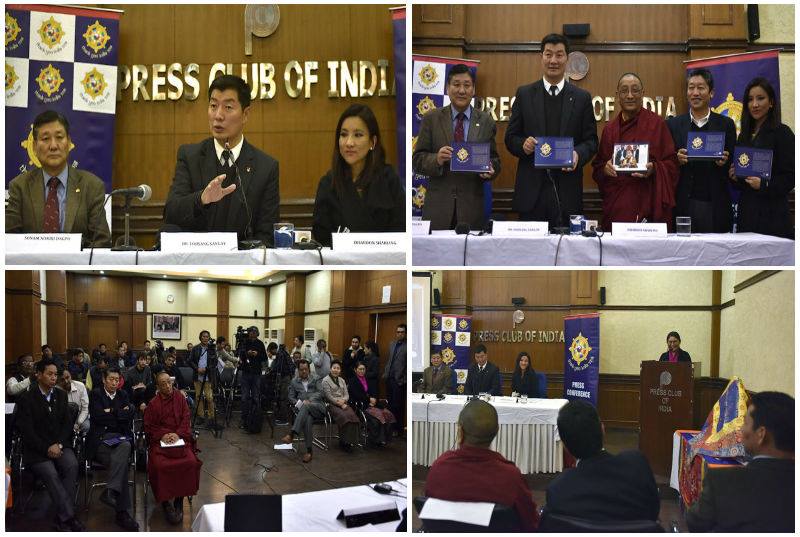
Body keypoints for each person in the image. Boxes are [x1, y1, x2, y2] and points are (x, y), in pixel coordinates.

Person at [164, 74, 279, 246]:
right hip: (195, 262)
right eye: (213, 105)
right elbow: (171, 212)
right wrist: (202, 199)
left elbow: (266, 234)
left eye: (228, 107)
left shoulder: (266, 167)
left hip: (242, 267)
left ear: (245, 114)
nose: (218, 115)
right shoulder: (190, 156)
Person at [505, 34, 598, 229]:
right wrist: (523, 145)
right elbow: (510, 138)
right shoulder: (524, 94)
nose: (553, 60)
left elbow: (591, 141)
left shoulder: (581, 98)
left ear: (567, 58)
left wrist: (577, 154)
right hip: (532, 194)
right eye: (548, 54)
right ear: (541, 57)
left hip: (568, 192)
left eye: (559, 55)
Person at [686, 391, 794, 532]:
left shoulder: (721, 482)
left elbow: (695, 523)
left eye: (745, 423)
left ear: (761, 434)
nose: (741, 430)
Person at [425, 399, 539, 531]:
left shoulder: (439, 468)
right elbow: (531, 524)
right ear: (496, 431)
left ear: (460, 432)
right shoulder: (511, 476)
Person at [542, 400, 659, 526]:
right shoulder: (637, 466)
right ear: (602, 430)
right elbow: (653, 513)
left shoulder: (558, 489)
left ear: (565, 446)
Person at [412, 63, 500, 230]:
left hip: (472, 209)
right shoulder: (431, 118)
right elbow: (417, 160)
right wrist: (436, 159)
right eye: (456, 84)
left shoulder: (486, 121)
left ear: (473, 90)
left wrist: (491, 169)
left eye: (467, 85)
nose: (462, 90)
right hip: (439, 209)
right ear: (447, 88)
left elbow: (495, 160)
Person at [6, 110, 111, 247]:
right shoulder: (19, 187)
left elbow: (101, 242)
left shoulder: (91, 186)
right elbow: (9, 240)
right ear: (34, 147)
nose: (53, 146)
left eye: (59, 137)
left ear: (69, 143)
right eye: (45, 139)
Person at [592, 73, 679, 229]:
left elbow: (672, 165)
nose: (630, 95)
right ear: (618, 95)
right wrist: (605, 169)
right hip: (618, 206)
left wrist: (654, 169)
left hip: (648, 205)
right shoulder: (609, 130)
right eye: (625, 91)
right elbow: (598, 167)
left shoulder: (657, 124)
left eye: (635, 90)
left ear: (643, 93)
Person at [312, 103, 405, 245]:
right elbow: (321, 238)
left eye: (358, 135)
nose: (349, 143)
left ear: (372, 142)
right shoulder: (328, 183)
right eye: (343, 135)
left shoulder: (389, 179)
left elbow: (400, 233)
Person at [15, 359, 85, 531]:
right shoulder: (26, 398)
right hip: (37, 450)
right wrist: (47, 447)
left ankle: (62, 514)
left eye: (56, 375)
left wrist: (59, 445)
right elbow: (27, 432)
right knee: (51, 473)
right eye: (50, 374)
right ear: (38, 375)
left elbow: (67, 425)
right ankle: (69, 516)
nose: (54, 378)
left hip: (59, 445)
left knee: (71, 465)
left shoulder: (60, 395)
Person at [666, 69, 737, 232]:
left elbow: (735, 169)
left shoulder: (726, 124)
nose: (695, 93)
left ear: (711, 93)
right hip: (683, 204)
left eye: (701, 88)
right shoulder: (673, 125)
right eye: (691, 88)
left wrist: (725, 163)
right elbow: (666, 164)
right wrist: (676, 160)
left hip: (715, 205)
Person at [728, 77, 794, 238]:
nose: (755, 104)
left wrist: (763, 184)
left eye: (760, 98)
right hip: (747, 214)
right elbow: (742, 183)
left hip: (773, 216)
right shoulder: (743, 136)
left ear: (771, 102)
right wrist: (735, 177)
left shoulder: (782, 133)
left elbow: (791, 177)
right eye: (750, 100)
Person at [144, 371, 202, 525]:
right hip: (160, 442)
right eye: (163, 384)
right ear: (157, 386)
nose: (168, 386)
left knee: (190, 462)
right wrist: (163, 435)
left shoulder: (180, 398)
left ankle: (179, 498)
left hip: (180, 439)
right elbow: (149, 427)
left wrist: (177, 434)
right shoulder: (153, 404)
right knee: (160, 466)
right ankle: (165, 501)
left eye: (169, 382)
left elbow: (186, 419)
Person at [87, 367, 139, 530]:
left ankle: (111, 493)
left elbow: (130, 414)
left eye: (117, 379)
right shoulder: (96, 394)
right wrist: (118, 413)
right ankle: (122, 514)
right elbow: (97, 416)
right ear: (104, 379)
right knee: (122, 460)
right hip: (101, 442)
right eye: (111, 379)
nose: (114, 382)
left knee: (123, 451)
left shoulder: (123, 394)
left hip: (120, 440)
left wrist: (111, 413)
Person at [281, 360, 326, 463]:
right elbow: (291, 397)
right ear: (298, 370)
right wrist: (299, 403)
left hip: (318, 407)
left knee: (306, 406)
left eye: (306, 369)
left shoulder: (316, 378)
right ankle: (309, 452)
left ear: (309, 369)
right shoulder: (294, 381)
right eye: (302, 370)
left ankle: (292, 434)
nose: (304, 372)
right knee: (308, 420)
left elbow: (321, 393)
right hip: (305, 410)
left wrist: (309, 400)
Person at [349, 361, 396, 446]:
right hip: (362, 406)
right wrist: (369, 399)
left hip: (374, 404)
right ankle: (376, 440)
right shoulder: (353, 381)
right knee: (377, 419)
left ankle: (383, 439)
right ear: (355, 370)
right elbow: (357, 395)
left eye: (363, 369)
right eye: (360, 369)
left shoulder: (369, 380)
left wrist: (374, 399)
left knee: (387, 415)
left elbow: (375, 392)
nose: (362, 371)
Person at [321, 360, 360, 451]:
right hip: (331, 405)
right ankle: (344, 442)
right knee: (344, 417)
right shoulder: (325, 380)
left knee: (352, 416)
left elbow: (347, 394)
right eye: (334, 368)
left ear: (340, 370)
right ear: (330, 369)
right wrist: (339, 403)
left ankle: (351, 441)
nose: (336, 370)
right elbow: (328, 396)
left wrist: (343, 401)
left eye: (338, 368)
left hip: (343, 403)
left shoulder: (342, 380)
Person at [238, 327, 267, 429]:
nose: (252, 334)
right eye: (250, 332)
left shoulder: (260, 344)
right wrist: (247, 353)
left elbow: (264, 357)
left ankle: (256, 418)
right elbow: (240, 355)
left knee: (255, 396)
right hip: (246, 373)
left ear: (257, 333)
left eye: (254, 332)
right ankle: (244, 418)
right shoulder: (244, 343)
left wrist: (257, 354)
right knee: (244, 397)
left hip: (256, 373)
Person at [187, 330, 217, 423]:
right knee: (198, 397)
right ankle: (201, 416)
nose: (205, 338)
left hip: (208, 377)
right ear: (200, 337)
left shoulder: (212, 349)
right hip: (197, 376)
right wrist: (197, 369)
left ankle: (211, 417)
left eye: (207, 336)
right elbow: (189, 361)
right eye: (203, 336)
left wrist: (207, 369)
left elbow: (215, 362)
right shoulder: (195, 348)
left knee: (209, 397)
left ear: (209, 338)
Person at [384, 324, 407, 435]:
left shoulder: (407, 346)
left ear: (405, 333)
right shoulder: (392, 344)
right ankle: (390, 427)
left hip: (399, 381)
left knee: (398, 405)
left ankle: (398, 429)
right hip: (389, 378)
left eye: (402, 332)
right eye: (398, 332)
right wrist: (385, 373)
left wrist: (403, 380)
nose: (400, 334)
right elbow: (390, 360)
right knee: (390, 404)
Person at [57, 368, 90, 434]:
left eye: (67, 377)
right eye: (62, 380)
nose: (66, 381)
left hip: (79, 416)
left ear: (71, 376)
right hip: (64, 420)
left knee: (86, 426)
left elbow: (85, 409)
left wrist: (78, 423)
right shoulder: (56, 390)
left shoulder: (80, 386)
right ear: (58, 381)